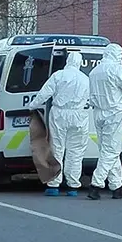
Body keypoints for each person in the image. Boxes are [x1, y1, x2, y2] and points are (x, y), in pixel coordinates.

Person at [28, 51, 91, 197]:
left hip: (60, 114)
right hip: (79, 115)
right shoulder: (85, 79)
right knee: (76, 152)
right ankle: (73, 186)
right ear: (80, 63)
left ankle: (54, 185)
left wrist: (32, 106)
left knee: (57, 148)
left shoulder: (58, 75)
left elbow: (45, 93)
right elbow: (93, 99)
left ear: (67, 61)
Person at [87, 43, 122, 200]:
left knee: (107, 151)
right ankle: (95, 185)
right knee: (111, 151)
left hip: (98, 113)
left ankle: (116, 187)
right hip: (114, 113)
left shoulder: (94, 72)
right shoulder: (116, 70)